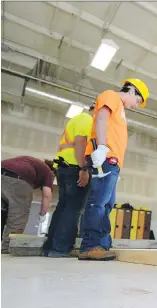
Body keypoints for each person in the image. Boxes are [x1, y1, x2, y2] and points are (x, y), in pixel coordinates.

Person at [78, 78, 149, 261]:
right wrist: (101, 147)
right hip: (105, 157)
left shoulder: (120, 108)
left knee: (107, 205)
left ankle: (102, 244)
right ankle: (90, 245)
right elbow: (101, 118)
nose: (135, 106)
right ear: (132, 91)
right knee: (98, 203)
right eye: (138, 101)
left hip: (112, 162)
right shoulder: (110, 96)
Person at [42, 106, 94, 257]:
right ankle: (60, 248)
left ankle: (50, 247)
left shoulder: (75, 119)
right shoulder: (87, 119)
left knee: (63, 207)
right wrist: (83, 168)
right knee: (74, 209)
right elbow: (80, 143)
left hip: (64, 168)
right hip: (75, 168)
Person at [1, 156, 56, 253]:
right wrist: (43, 214)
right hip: (18, 180)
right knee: (17, 219)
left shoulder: (29, 161)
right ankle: (6, 250)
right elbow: (47, 195)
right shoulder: (48, 171)